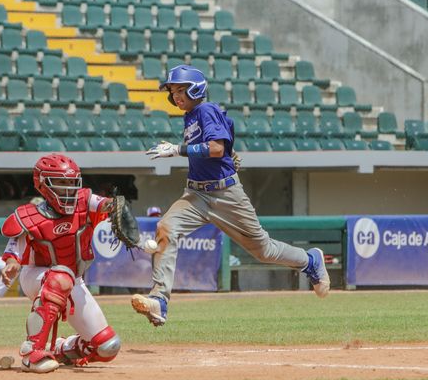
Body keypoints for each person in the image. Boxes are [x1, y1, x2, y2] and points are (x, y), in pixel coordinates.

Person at [133, 65, 330, 327]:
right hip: (196, 194)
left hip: (226, 194)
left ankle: (311, 260)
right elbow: (224, 140)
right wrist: (228, 154)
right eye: (172, 91)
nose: (176, 96)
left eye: (181, 90)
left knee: (264, 250)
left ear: (195, 89)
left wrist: (178, 150)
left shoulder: (205, 109)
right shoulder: (191, 116)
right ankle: (159, 300)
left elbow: (216, 148)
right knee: (166, 228)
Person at [0, 153, 120, 373]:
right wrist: (11, 263)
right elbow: (14, 250)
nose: (69, 189)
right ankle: (31, 352)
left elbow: (104, 204)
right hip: (36, 276)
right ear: (43, 184)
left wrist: (118, 207)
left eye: (72, 182)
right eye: (61, 182)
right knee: (61, 276)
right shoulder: (29, 215)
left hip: (72, 280)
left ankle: (61, 347)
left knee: (107, 347)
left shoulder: (84, 200)